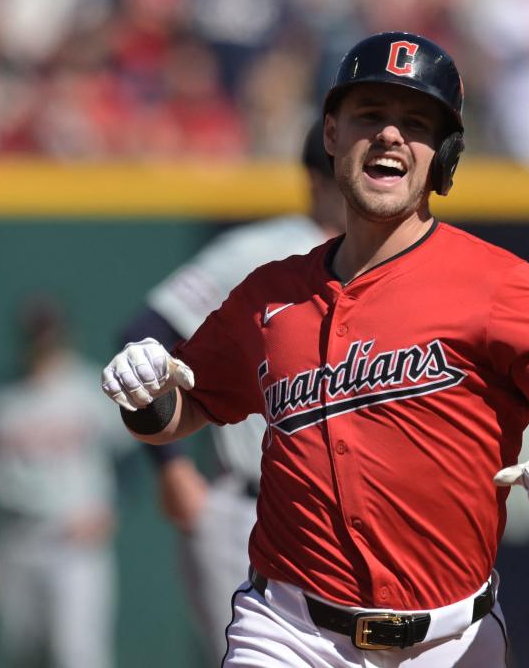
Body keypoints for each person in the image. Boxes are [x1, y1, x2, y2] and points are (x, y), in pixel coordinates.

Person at [100, 31, 529, 667]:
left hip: (452, 641)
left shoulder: (501, 288)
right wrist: (145, 394)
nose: (390, 135)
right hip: (288, 631)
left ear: (444, 155)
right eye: (370, 115)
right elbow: (178, 417)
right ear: (332, 134)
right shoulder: (268, 294)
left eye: (415, 123)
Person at [118, 118, 344, 662]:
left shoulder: (390, 261)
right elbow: (144, 333)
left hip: (342, 513)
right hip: (248, 505)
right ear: (317, 179)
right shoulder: (263, 249)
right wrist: (170, 464)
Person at [0, 298, 131, 668]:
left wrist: (111, 511)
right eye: (37, 334)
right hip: (16, 537)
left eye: (50, 334)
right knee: (23, 654)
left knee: (77, 655)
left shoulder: (90, 391)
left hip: (72, 537)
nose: (44, 343)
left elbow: (129, 462)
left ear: (65, 336)